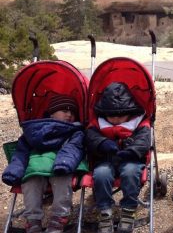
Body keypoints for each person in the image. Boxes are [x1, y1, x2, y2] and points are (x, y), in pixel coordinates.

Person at [2, 94, 86, 233]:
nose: (69, 115)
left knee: (62, 178)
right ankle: (33, 220)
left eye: (72, 112)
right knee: (30, 180)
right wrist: (14, 171)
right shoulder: (33, 132)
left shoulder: (75, 131)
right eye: (65, 111)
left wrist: (63, 164)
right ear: (52, 113)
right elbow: (21, 154)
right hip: (37, 166)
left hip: (61, 165)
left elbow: (73, 149)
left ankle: (59, 218)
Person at [86, 82, 151, 233]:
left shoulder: (139, 123)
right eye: (111, 116)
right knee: (101, 174)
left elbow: (144, 141)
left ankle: (128, 210)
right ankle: (104, 211)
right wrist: (102, 142)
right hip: (105, 159)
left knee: (130, 172)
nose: (115, 120)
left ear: (129, 112)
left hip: (131, 160)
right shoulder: (97, 124)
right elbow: (90, 137)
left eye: (120, 116)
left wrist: (132, 150)